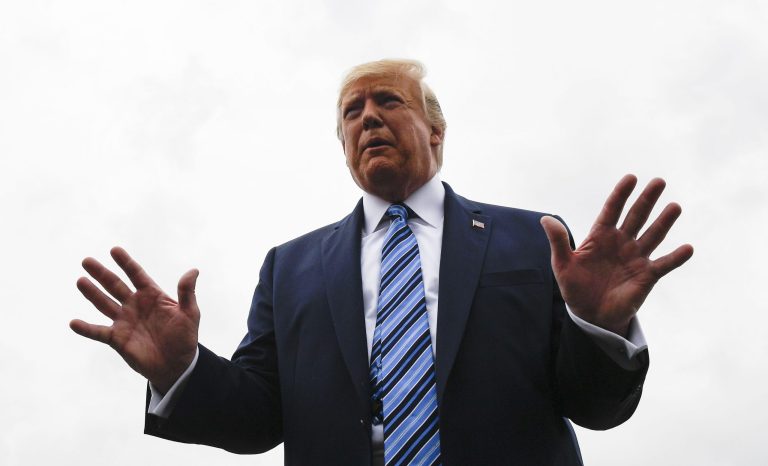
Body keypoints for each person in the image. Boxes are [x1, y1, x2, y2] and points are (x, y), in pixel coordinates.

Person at [71, 59, 694, 465]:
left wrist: (597, 328)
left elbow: (596, 405)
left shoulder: (535, 241)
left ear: (436, 133)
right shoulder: (290, 269)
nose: (367, 116)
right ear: (343, 146)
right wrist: (183, 370)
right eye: (352, 111)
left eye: (388, 102)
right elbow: (257, 420)